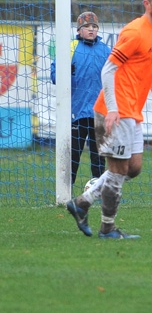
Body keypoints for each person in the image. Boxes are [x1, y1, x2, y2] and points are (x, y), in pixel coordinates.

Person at [65, 0, 152, 239]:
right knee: (118, 170)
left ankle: (81, 203)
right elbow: (108, 69)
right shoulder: (134, 32)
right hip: (114, 109)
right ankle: (108, 228)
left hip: (132, 110)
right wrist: (113, 109)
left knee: (133, 168)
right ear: (147, 4)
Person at [51, 11, 111, 188]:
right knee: (74, 153)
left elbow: (115, 75)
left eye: (94, 26)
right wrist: (64, 72)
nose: (91, 30)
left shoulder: (106, 51)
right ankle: (66, 190)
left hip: (100, 111)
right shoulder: (70, 47)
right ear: (79, 30)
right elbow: (55, 75)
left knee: (99, 155)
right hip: (76, 111)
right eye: (87, 27)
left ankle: (98, 189)